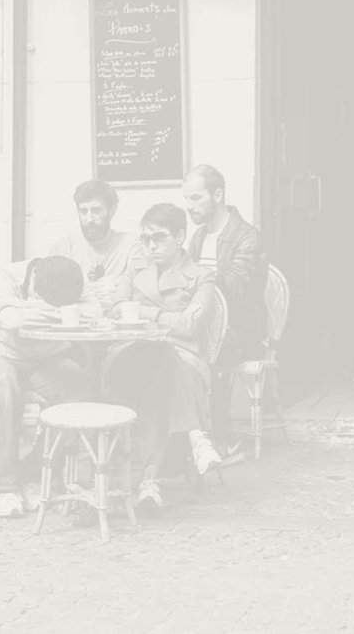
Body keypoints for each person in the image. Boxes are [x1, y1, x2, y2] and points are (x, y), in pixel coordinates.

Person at [104, 204, 224, 507]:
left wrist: (142, 314)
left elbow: (190, 325)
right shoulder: (136, 269)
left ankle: (149, 482)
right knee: (157, 351)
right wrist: (162, 317)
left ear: (180, 236)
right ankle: (196, 434)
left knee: (158, 367)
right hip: (130, 355)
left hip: (184, 360)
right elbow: (115, 309)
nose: (151, 246)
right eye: (146, 239)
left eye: (159, 238)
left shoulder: (201, 276)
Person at [0, 256, 94, 519]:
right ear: (34, 281)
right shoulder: (0, 278)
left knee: (80, 390)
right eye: (44, 300)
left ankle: (33, 473)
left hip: (44, 359)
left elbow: (95, 311)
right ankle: (5, 488)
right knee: (4, 382)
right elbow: (12, 320)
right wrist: (64, 312)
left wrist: (34, 309)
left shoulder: (73, 277)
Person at [183, 164, 267, 451]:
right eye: (186, 198)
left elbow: (239, 287)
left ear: (217, 195)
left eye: (196, 198)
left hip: (242, 329)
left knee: (208, 351)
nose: (189, 206)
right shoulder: (198, 237)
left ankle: (222, 437)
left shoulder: (247, 236)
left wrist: (199, 277)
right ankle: (186, 434)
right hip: (207, 323)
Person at [48, 180, 144, 310]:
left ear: (112, 211)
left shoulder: (132, 245)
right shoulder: (62, 249)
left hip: (118, 318)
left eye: (96, 211)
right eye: (83, 211)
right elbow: (48, 292)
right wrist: (91, 292)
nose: (89, 219)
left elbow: (140, 288)